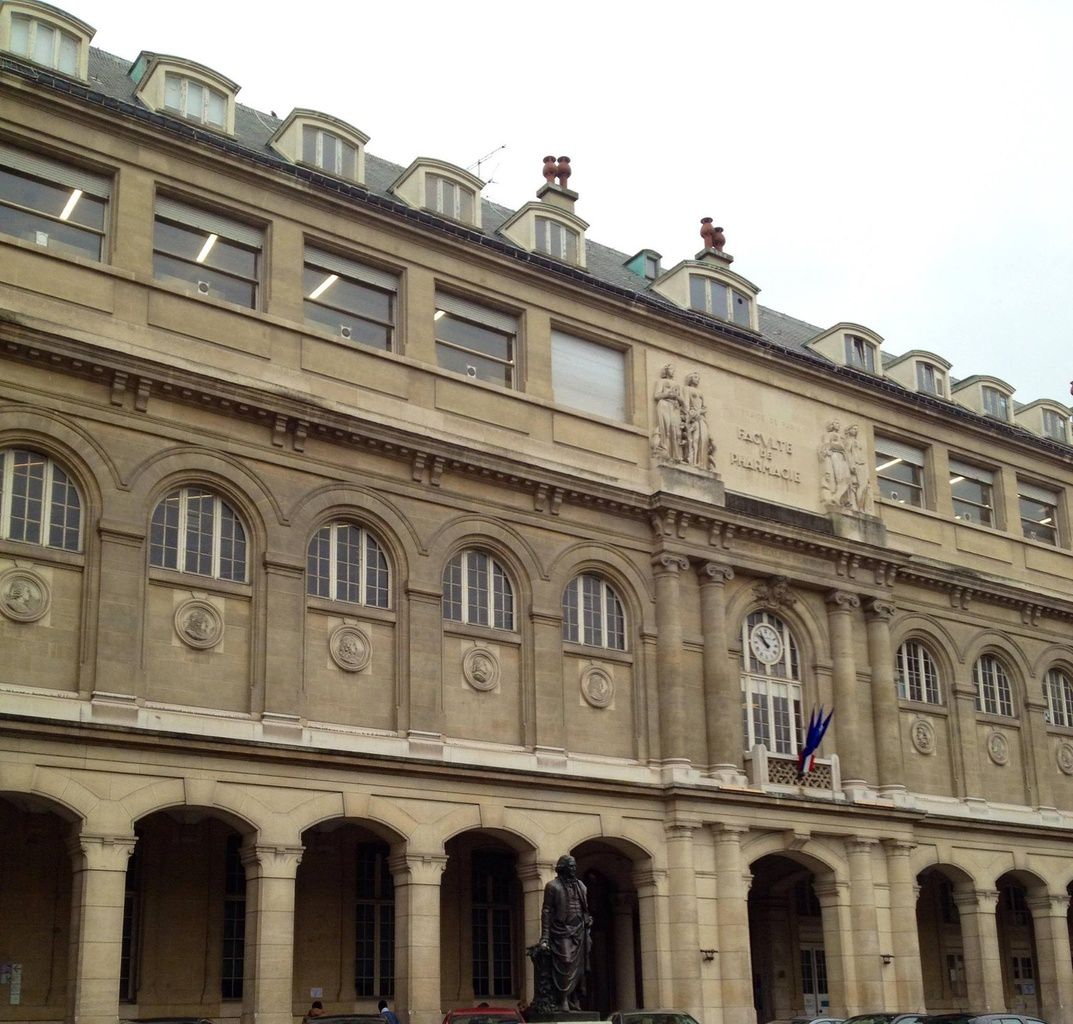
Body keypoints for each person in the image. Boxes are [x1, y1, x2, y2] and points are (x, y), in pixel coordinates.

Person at [538, 854, 591, 1012]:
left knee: (580, 967)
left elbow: (584, 908)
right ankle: (562, 999)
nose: (574, 869)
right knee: (566, 961)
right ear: (562, 868)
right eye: (571, 866)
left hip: (579, 929)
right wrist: (545, 936)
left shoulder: (581, 885)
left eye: (575, 866)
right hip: (561, 929)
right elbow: (546, 910)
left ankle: (574, 999)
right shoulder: (553, 886)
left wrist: (588, 919)